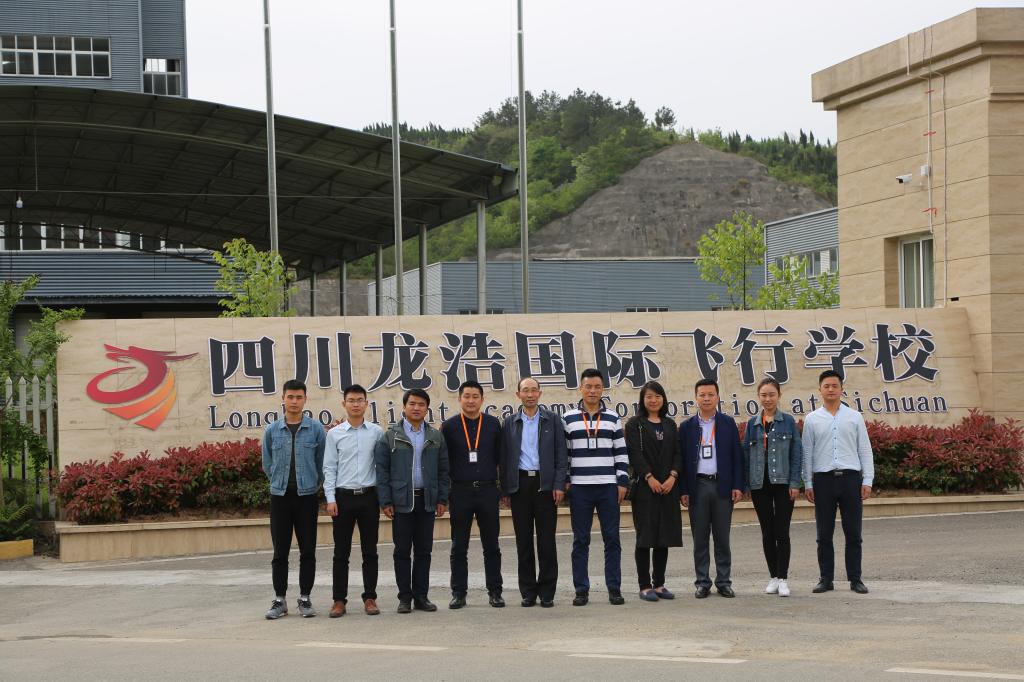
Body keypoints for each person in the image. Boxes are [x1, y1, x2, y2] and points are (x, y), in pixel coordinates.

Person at [375, 388, 450, 613]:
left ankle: (421, 597)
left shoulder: (435, 436)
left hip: (427, 500)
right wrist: (386, 501)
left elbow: (444, 470)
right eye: (412, 404)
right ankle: (405, 598)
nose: (416, 408)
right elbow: (382, 471)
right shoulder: (390, 436)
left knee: (424, 551)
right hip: (401, 502)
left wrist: (442, 499)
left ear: (427, 409)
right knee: (402, 551)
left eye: (421, 404)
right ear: (404, 407)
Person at [802, 369, 874, 595]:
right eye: (827, 386)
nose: (831, 389)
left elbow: (864, 449)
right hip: (823, 481)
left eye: (835, 386)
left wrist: (868, 479)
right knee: (824, 534)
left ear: (842, 389)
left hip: (851, 480)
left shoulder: (854, 417)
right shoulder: (812, 419)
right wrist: (808, 483)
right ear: (820, 390)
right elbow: (807, 452)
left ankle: (855, 579)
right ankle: (826, 579)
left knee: (853, 533)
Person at [500, 377, 568, 608]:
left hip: (545, 486)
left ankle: (547, 592)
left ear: (540, 393)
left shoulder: (552, 420)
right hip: (520, 485)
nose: (529, 395)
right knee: (524, 542)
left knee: (547, 541)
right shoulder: (510, 422)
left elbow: (561, 455)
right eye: (525, 391)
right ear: (518, 394)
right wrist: (506, 489)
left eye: (533, 390)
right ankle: (528, 591)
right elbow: (504, 458)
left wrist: (559, 484)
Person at [563, 368, 629, 606]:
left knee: (612, 539)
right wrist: (566, 481)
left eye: (597, 387)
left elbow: (621, 452)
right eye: (588, 386)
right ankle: (581, 589)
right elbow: (565, 454)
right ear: (581, 388)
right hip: (579, 488)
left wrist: (622, 481)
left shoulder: (612, 417)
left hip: (607, 487)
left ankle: (614, 588)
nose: (592, 391)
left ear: (602, 389)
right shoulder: (568, 418)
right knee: (580, 540)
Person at [261, 379, 326, 620]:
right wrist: (279, 482)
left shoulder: (316, 429)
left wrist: (312, 484)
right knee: (280, 552)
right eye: (290, 397)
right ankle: (280, 600)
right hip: (280, 498)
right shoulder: (272, 430)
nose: (294, 401)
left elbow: (322, 464)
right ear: (283, 399)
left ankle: (305, 598)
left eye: (299, 397)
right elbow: (267, 463)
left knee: (308, 550)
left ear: (305, 399)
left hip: (306, 498)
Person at [441, 380, 505, 609]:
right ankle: (458, 593)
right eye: (466, 396)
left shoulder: (492, 424)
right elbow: (443, 463)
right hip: (460, 491)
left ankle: (495, 592)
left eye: (475, 396)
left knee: (492, 546)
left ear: (482, 399)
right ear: (459, 399)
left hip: (487, 490)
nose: (470, 400)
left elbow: (500, 458)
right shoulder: (449, 427)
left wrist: (502, 490)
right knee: (459, 546)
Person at [679, 378, 744, 599]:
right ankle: (702, 582)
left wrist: (737, 485)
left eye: (710, 394)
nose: (706, 398)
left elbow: (737, 456)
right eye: (702, 395)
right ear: (695, 398)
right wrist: (684, 490)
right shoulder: (687, 427)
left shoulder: (727, 423)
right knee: (700, 538)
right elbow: (682, 461)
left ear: (717, 397)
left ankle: (724, 582)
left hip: (722, 486)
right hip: (697, 486)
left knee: (722, 537)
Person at [323, 384, 384, 618]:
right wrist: (330, 498)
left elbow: (382, 467)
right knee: (341, 552)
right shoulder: (334, 434)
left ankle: (370, 598)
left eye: (360, 400)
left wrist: (384, 498)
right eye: (351, 400)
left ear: (366, 404)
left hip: (369, 497)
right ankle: (339, 600)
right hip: (343, 498)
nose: (356, 404)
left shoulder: (377, 432)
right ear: (344, 404)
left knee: (370, 551)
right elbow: (329, 467)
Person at [742, 378, 803, 598]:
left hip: (783, 484)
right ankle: (773, 577)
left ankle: (784, 578)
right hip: (760, 485)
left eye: (771, 395)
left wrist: (795, 483)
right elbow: (746, 456)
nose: (767, 399)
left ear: (778, 396)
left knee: (782, 531)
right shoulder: (752, 424)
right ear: (758, 397)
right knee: (767, 532)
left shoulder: (788, 421)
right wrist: (747, 485)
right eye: (763, 395)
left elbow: (796, 454)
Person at [624, 381, 683, 602]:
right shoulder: (635, 424)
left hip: (668, 488)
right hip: (645, 488)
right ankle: (644, 586)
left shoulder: (669, 424)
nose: (653, 400)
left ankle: (659, 584)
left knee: (663, 537)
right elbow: (634, 454)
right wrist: (649, 477)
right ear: (642, 400)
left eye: (657, 396)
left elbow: (678, 453)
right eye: (649, 396)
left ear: (663, 399)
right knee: (645, 537)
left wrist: (673, 476)